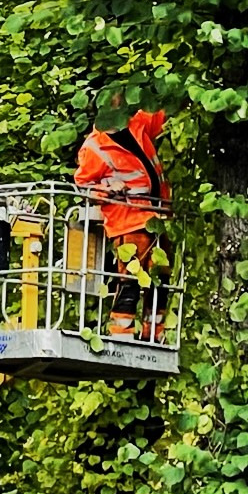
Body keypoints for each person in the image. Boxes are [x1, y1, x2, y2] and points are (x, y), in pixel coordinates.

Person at [73, 110, 170, 338]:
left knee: (161, 279)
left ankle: (154, 336)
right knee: (131, 281)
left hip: (157, 217)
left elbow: (160, 111)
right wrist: (108, 189)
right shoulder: (95, 146)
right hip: (126, 221)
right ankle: (121, 335)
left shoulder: (137, 124)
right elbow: (83, 184)